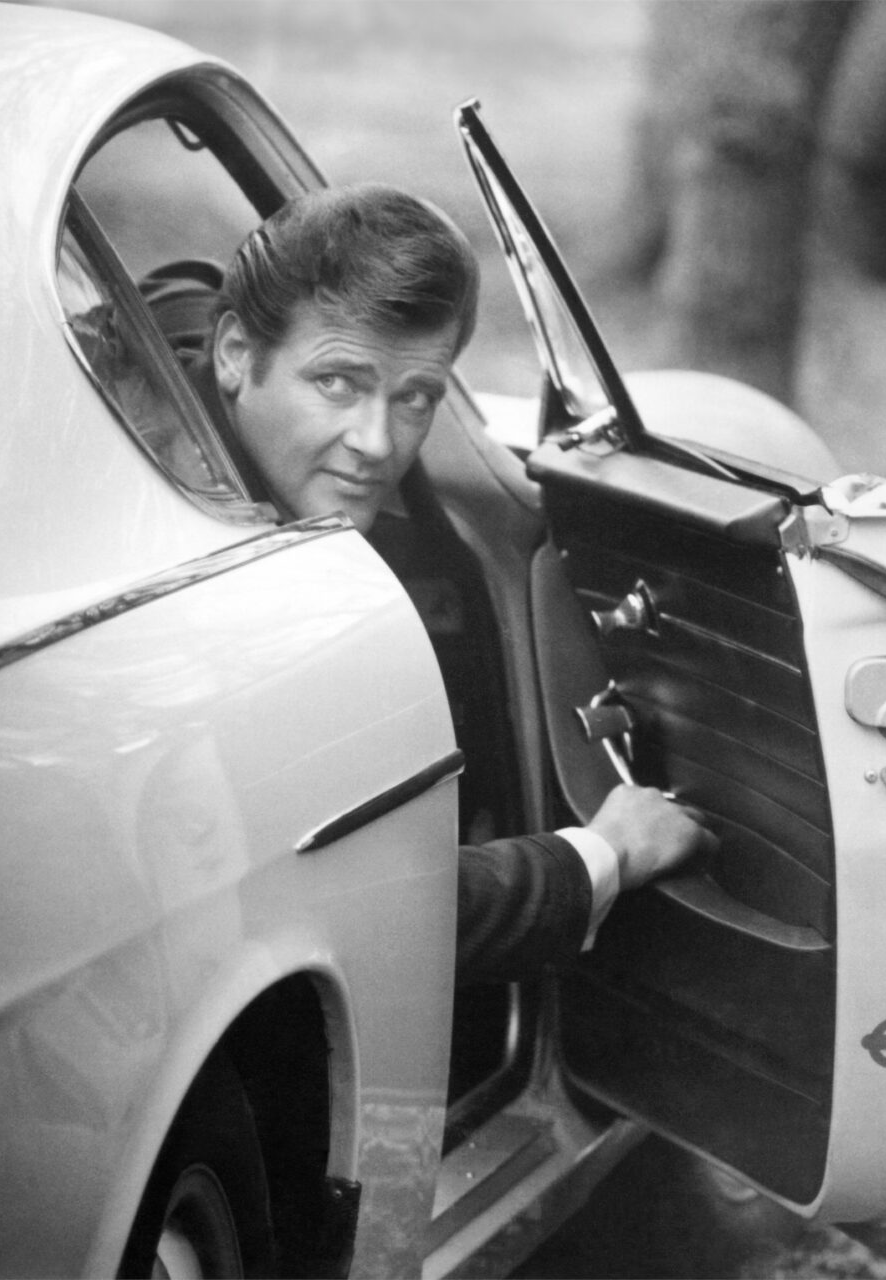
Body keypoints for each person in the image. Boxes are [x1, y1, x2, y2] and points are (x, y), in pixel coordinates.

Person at [146, 184, 715, 986]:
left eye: (414, 397)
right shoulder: (207, 585)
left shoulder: (165, 377)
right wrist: (605, 852)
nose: (378, 443)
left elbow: (180, 289)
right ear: (235, 354)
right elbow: (360, 906)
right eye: (337, 383)